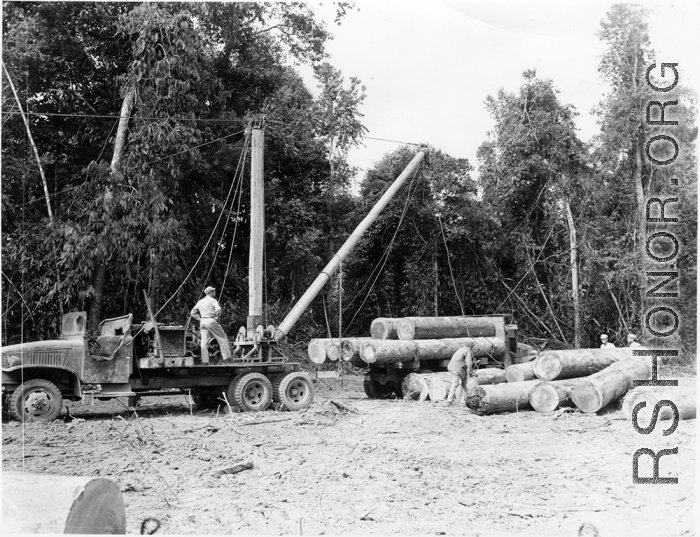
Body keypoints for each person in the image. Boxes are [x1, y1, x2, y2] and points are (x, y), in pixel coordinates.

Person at [190, 286, 232, 364]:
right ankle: (227, 359)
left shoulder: (200, 301)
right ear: (211, 292)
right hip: (211, 320)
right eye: (214, 291)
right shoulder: (213, 300)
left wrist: (199, 319)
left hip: (203, 321)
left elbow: (193, 312)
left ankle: (205, 361)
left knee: (204, 343)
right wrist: (217, 317)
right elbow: (218, 309)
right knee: (222, 338)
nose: (215, 293)